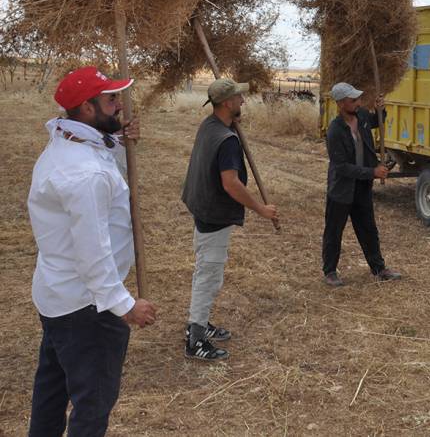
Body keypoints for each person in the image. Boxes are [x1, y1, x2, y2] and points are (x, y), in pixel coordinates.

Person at [27, 66, 157, 436]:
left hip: (59, 296)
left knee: (51, 393)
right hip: (88, 307)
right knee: (93, 404)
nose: (120, 105)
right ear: (86, 108)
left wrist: (117, 138)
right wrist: (125, 305)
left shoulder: (68, 142)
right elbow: (92, 251)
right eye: (111, 99)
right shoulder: (84, 175)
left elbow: (99, 158)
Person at [181, 78, 279, 361]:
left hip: (204, 208)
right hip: (213, 213)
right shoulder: (226, 140)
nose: (243, 101)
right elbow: (231, 184)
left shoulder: (210, 126)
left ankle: (201, 321)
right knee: (209, 274)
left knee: (209, 271)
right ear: (227, 103)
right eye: (238, 98)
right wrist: (261, 209)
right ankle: (195, 337)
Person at [322, 82, 402, 287]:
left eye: (358, 99)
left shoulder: (363, 117)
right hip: (341, 189)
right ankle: (330, 272)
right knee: (334, 231)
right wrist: (372, 172)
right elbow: (341, 167)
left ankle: (379, 268)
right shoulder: (334, 131)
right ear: (341, 104)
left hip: (362, 188)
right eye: (353, 100)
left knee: (368, 229)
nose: (358, 102)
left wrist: (380, 109)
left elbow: (378, 121)